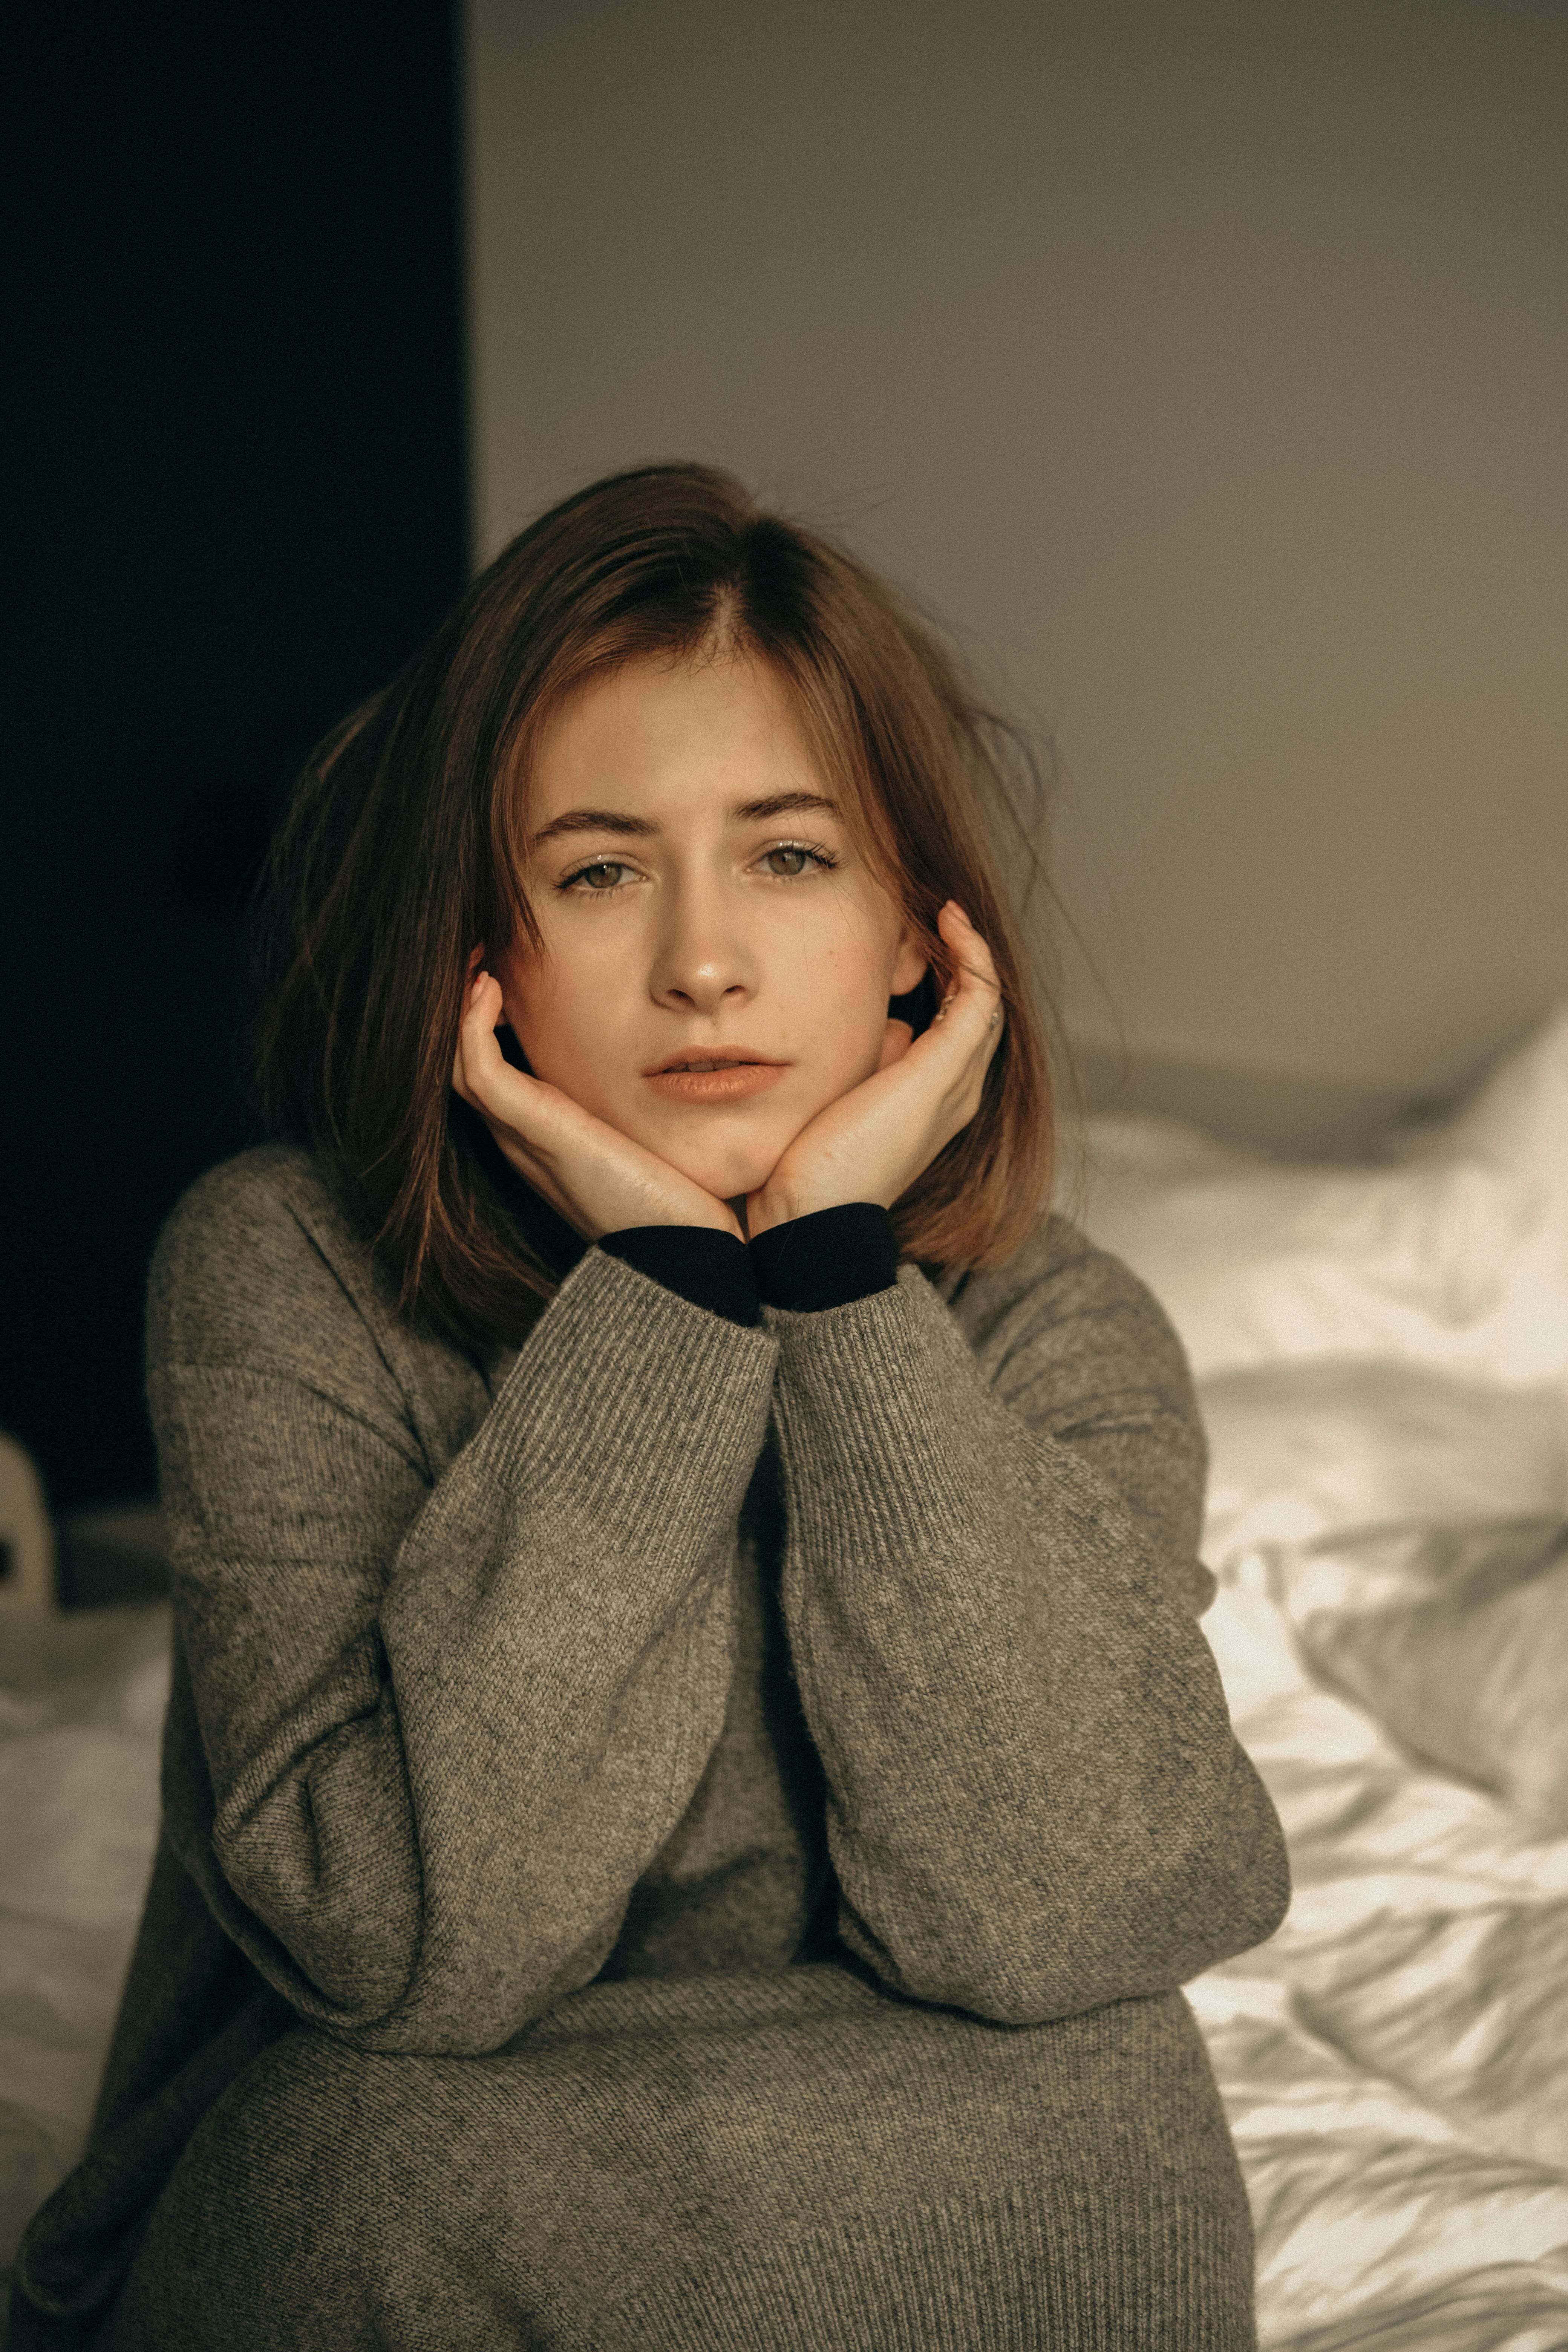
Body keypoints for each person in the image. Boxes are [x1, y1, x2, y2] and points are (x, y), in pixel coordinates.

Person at [9, 463, 1289, 2351]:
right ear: (486, 953)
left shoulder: (1054, 1328)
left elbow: (1072, 1909)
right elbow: (413, 1953)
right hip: (425, 2149)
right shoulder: (284, 1265)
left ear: (919, 944)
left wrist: (839, 1289)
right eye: (598, 872)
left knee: (1125, 2100)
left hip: (868, 2134)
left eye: (789, 856)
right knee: (361, 2161)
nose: (701, 963)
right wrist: (670, 1304)